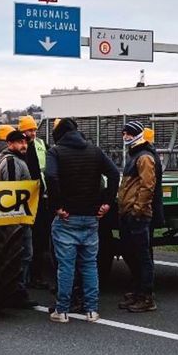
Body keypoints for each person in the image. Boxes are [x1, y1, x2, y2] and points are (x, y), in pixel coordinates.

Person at [44, 117, 119, 323]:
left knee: (66, 266)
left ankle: (62, 310)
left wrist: (57, 205)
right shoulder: (94, 151)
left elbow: (50, 176)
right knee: (89, 264)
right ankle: (91, 310)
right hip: (91, 217)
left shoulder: (56, 152)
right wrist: (107, 202)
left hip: (67, 217)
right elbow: (114, 174)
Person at [117, 121, 162, 313]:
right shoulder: (136, 154)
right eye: (124, 133)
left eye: (128, 133)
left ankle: (146, 296)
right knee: (132, 253)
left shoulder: (144, 157)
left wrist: (137, 209)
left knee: (142, 256)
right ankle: (137, 291)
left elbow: (147, 186)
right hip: (130, 213)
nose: (125, 137)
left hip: (138, 215)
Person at [0, 130, 37, 308]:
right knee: (22, 254)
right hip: (17, 218)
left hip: (19, 216)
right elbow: (11, 191)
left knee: (23, 254)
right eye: (19, 142)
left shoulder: (15, 160)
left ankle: (16, 290)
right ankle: (16, 292)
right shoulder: (12, 162)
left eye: (25, 142)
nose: (24, 145)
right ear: (9, 144)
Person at [19, 115, 53, 289]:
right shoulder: (20, 147)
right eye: (29, 130)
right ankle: (27, 277)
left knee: (40, 238)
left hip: (41, 197)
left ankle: (36, 275)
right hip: (28, 199)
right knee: (28, 240)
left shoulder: (40, 144)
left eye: (33, 130)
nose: (32, 133)